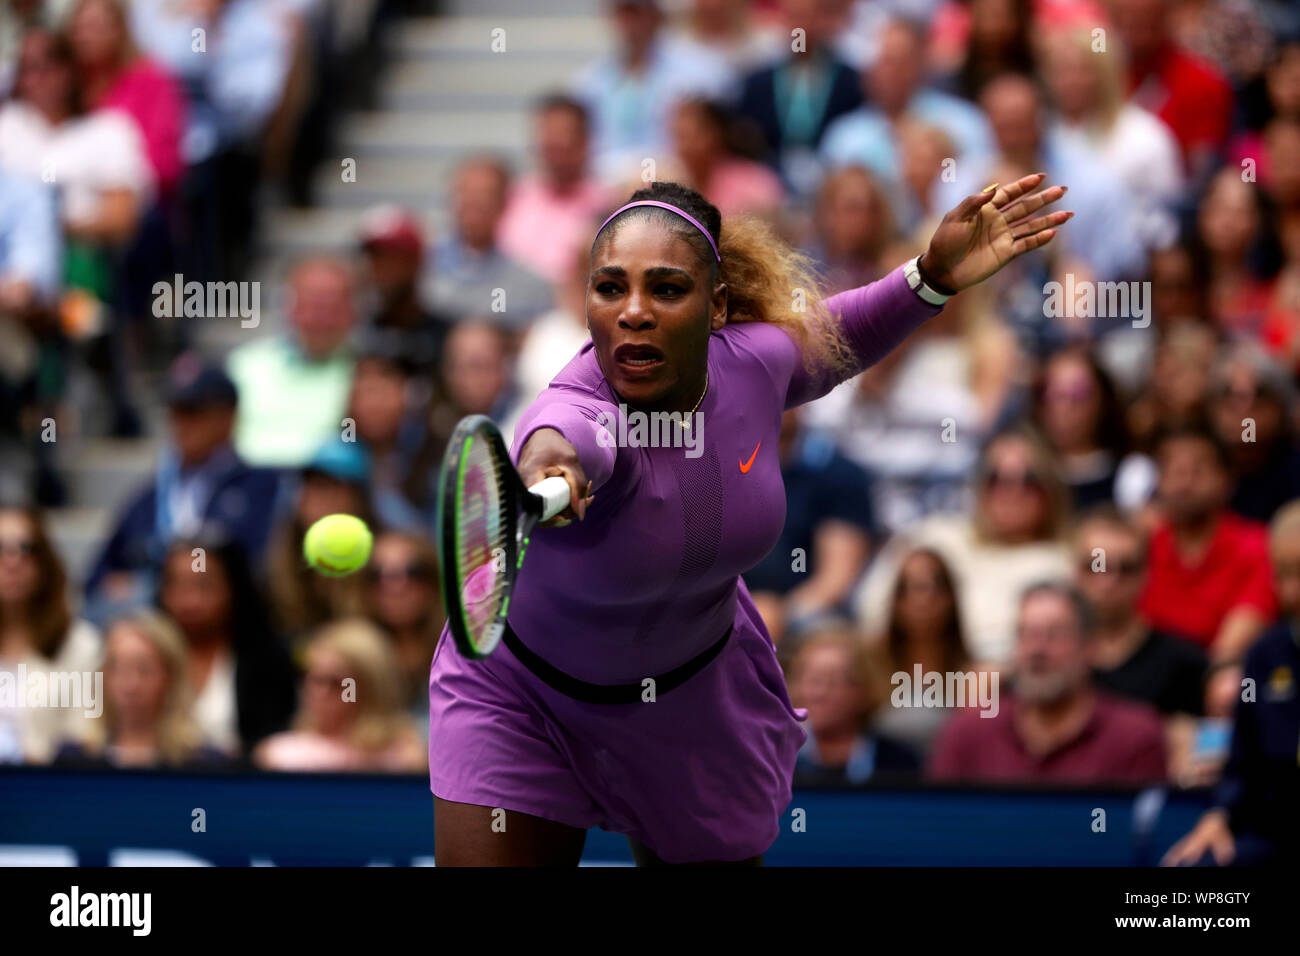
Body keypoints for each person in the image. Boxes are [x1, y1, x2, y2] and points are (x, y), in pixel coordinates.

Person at [429, 172, 1072, 866]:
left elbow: (845, 328)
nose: (634, 311)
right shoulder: (573, 407)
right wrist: (547, 475)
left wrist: (934, 275)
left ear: (716, 307)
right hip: (521, 698)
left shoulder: (752, 363)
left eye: (667, 288)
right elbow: (561, 441)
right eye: (609, 287)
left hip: (688, 705)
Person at [854, 426, 1075, 666]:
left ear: (1050, 488)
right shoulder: (934, 535)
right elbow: (873, 609)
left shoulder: (1064, 562)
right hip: (909, 673)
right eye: (996, 479)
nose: (1011, 491)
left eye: (1028, 480)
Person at [83, 352, 281, 618]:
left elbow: (264, 570)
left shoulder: (261, 487)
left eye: (194, 412)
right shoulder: (149, 496)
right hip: (151, 628)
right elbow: (98, 579)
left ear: (228, 416)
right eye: (175, 412)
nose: (181, 425)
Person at [1162, 500, 1300, 866]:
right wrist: (1218, 814)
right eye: (1282, 573)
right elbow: (1243, 761)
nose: (1291, 592)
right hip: (1276, 833)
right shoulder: (1265, 655)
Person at [928, 581, 1167, 784]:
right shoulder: (968, 733)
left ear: (1090, 647)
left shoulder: (1135, 737)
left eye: (1054, 635)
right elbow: (939, 827)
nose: (1037, 649)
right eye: (1026, 634)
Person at [1138, 422, 1277, 662]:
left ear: (1227, 480)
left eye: (1199, 469)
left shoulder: (1257, 545)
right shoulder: (1141, 545)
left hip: (1214, 678)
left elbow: (1230, 649)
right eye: (1172, 470)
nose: (1184, 482)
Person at [743, 408, 875, 644]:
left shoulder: (838, 474)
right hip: (731, 611)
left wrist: (779, 615)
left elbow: (835, 579)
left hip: (806, 618)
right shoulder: (717, 467)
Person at [157, 537, 297, 755]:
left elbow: (274, 743)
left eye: (203, 586)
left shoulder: (269, 660)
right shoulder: (144, 654)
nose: (190, 600)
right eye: (178, 584)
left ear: (232, 588)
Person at [1071, 505, 1207, 716]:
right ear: (1073, 572)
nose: (1108, 581)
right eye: (1095, 566)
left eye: (1125, 568)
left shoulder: (1184, 664)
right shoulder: (1044, 657)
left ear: (1146, 575)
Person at [54, 609, 232, 769]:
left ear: (170, 677)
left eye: (144, 669)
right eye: (118, 669)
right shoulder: (74, 761)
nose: (131, 684)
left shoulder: (204, 763)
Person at [226, 257, 358, 468]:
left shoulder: (367, 375)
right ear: (289, 306)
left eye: (333, 305)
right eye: (313, 303)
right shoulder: (243, 365)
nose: (322, 317)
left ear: (352, 311)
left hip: (327, 489)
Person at [254, 617, 425, 773]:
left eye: (335, 682)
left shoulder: (406, 758)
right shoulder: (280, 755)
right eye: (311, 677)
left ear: (371, 687)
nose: (317, 691)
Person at [0, 505, 100, 763]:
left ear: (45, 562)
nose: (12, 562)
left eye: (26, 549)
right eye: (1, 549)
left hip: (46, 791)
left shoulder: (83, 645)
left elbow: (87, 737)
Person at [423, 157, 553, 337]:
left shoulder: (532, 284)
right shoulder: (421, 268)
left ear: (504, 203)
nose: (474, 203)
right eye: (465, 193)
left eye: (485, 195)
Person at [866, 546, 972, 757]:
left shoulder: (975, 675)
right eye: (907, 589)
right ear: (895, 601)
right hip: (880, 784)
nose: (920, 600)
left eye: (931, 587)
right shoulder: (867, 665)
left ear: (950, 597)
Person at [496, 95, 611, 285]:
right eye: (548, 133)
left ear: (585, 141)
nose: (555, 142)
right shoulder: (512, 195)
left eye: (564, 133)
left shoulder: (606, 204)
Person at [787, 624, 920, 784]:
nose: (818, 693)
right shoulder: (774, 759)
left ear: (865, 688)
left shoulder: (899, 763)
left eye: (833, 682)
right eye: (810, 680)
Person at [363, 531, 442, 724]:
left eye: (413, 572)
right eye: (377, 575)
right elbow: (344, 705)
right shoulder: (347, 655)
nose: (395, 587)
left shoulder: (461, 652)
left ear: (433, 582)